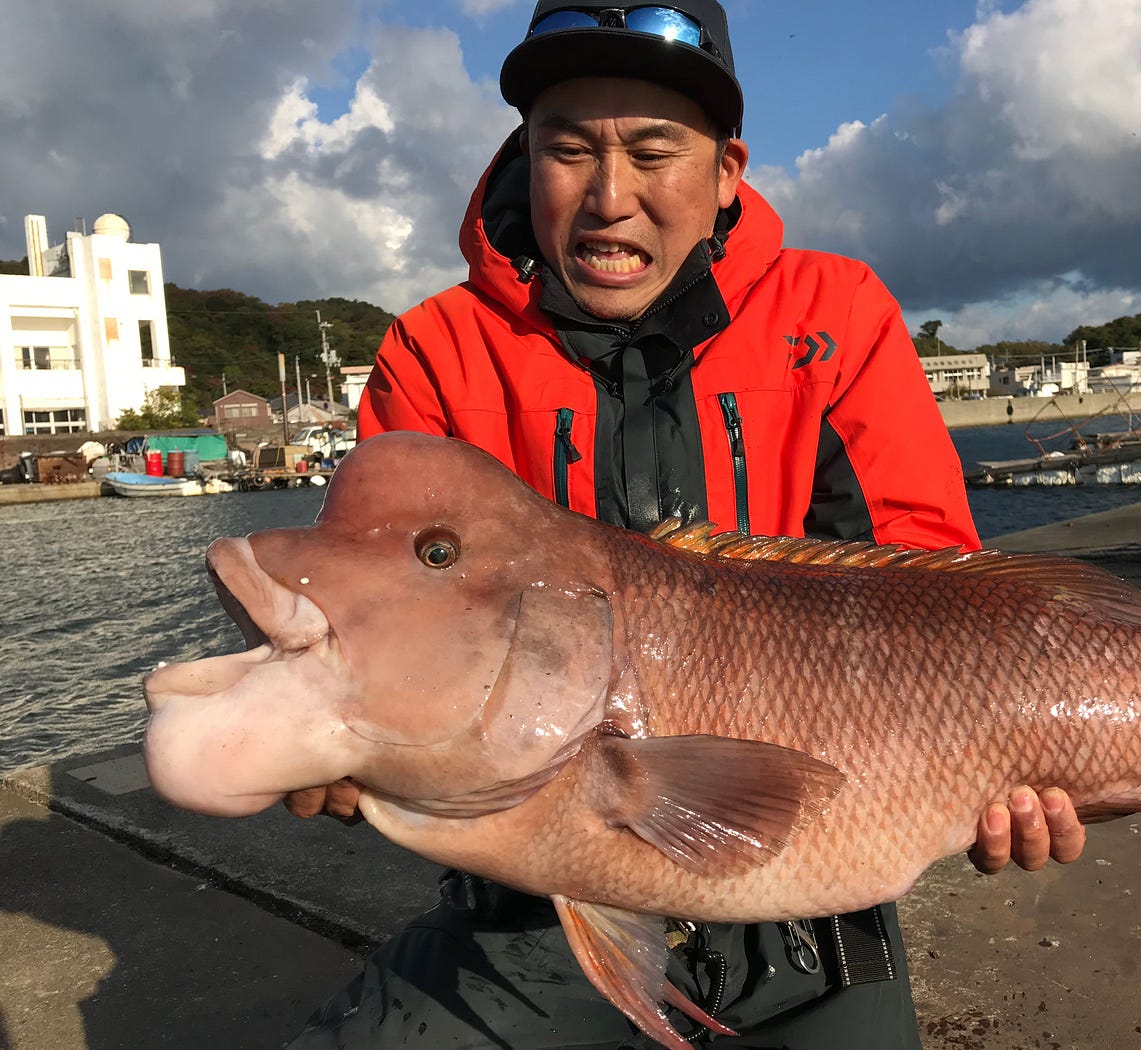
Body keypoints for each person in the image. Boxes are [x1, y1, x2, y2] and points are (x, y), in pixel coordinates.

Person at [287, 1, 1085, 1045]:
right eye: (567, 149)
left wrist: (1000, 778)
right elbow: (371, 596)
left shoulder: (834, 315)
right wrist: (328, 721)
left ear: (724, 172)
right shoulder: (438, 350)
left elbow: (934, 590)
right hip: (529, 915)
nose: (608, 198)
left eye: (652, 150)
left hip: (815, 919)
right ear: (524, 160)